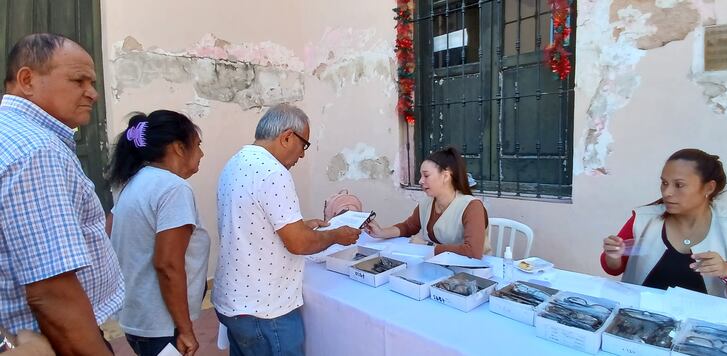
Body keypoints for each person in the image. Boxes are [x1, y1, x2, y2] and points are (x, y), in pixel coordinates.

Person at [0, 33, 124, 355]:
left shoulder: (13, 134)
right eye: (78, 80)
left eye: (92, 81)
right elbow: (50, 291)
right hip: (46, 340)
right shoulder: (35, 150)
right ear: (27, 79)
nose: (93, 93)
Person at [213, 104, 360, 356]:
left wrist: (302, 226)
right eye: (304, 145)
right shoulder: (273, 171)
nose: (302, 155)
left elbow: (253, 225)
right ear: (287, 137)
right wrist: (336, 235)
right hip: (265, 309)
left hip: (235, 302)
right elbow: (299, 244)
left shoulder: (236, 162)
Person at [601, 148, 727, 304]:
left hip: (706, 331)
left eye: (679, 185)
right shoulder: (643, 219)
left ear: (709, 188)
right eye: (664, 183)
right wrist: (613, 255)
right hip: (643, 322)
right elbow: (612, 268)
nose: (667, 192)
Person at [106, 110, 210, 356]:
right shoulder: (173, 188)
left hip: (138, 318)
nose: (202, 154)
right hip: (162, 324)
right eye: (197, 145)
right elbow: (168, 264)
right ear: (178, 148)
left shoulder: (133, 182)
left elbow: (107, 234)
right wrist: (184, 329)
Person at [365, 147, 490, 259]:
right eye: (421, 176)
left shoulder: (472, 207)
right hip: (438, 266)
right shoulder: (427, 203)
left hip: (469, 274)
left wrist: (429, 246)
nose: (420, 181)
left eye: (426, 176)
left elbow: (473, 251)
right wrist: (381, 232)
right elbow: (408, 227)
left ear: (445, 176)